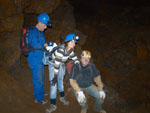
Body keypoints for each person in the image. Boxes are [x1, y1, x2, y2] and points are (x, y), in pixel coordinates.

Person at [46, 33, 80, 113]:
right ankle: (53, 104)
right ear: (67, 42)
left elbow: (74, 58)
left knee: (60, 81)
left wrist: (79, 65)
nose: (73, 44)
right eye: (71, 41)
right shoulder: (61, 50)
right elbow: (56, 64)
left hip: (60, 64)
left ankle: (62, 97)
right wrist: (55, 77)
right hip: (53, 65)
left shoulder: (70, 50)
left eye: (74, 42)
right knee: (54, 84)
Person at [27, 12, 51, 104]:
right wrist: (45, 45)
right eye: (45, 25)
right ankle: (38, 98)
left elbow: (42, 44)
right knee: (38, 78)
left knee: (41, 75)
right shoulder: (32, 31)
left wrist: (48, 47)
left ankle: (41, 92)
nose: (46, 27)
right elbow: (34, 44)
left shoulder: (40, 32)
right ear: (40, 23)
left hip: (39, 57)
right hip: (34, 58)